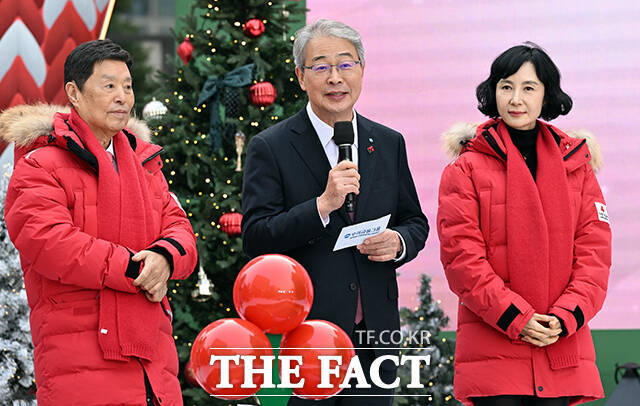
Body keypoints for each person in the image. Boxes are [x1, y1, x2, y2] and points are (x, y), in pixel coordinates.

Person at [242, 19, 429, 405]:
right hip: (305, 337)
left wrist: (398, 242)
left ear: (362, 70)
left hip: (374, 338)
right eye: (321, 66)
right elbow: (256, 236)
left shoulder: (389, 142)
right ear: (300, 76)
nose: (335, 78)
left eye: (345, 64)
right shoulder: (271, 147)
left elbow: (415, 222)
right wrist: (321, 206)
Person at [2, 39, 197, 405]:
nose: (123, 96)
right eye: (109, 86)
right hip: (79, 359)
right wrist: (137, 269)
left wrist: (165, 259)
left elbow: (180, 229)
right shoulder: (40, 164)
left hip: (153, 366)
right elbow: (50, 243)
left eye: (127, 86)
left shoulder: (144, 163)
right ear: (74, 93)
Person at [437, 43, 611, 406]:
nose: (516, 98)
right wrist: (517, 318)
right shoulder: (465, 169)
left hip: (559, 341)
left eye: (528, 88)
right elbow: (462, 260)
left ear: (547, 94)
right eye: (506, 86)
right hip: (494, 346)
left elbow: (595, 256)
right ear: (493, 91)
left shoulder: (577, 166)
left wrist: (563, 318)